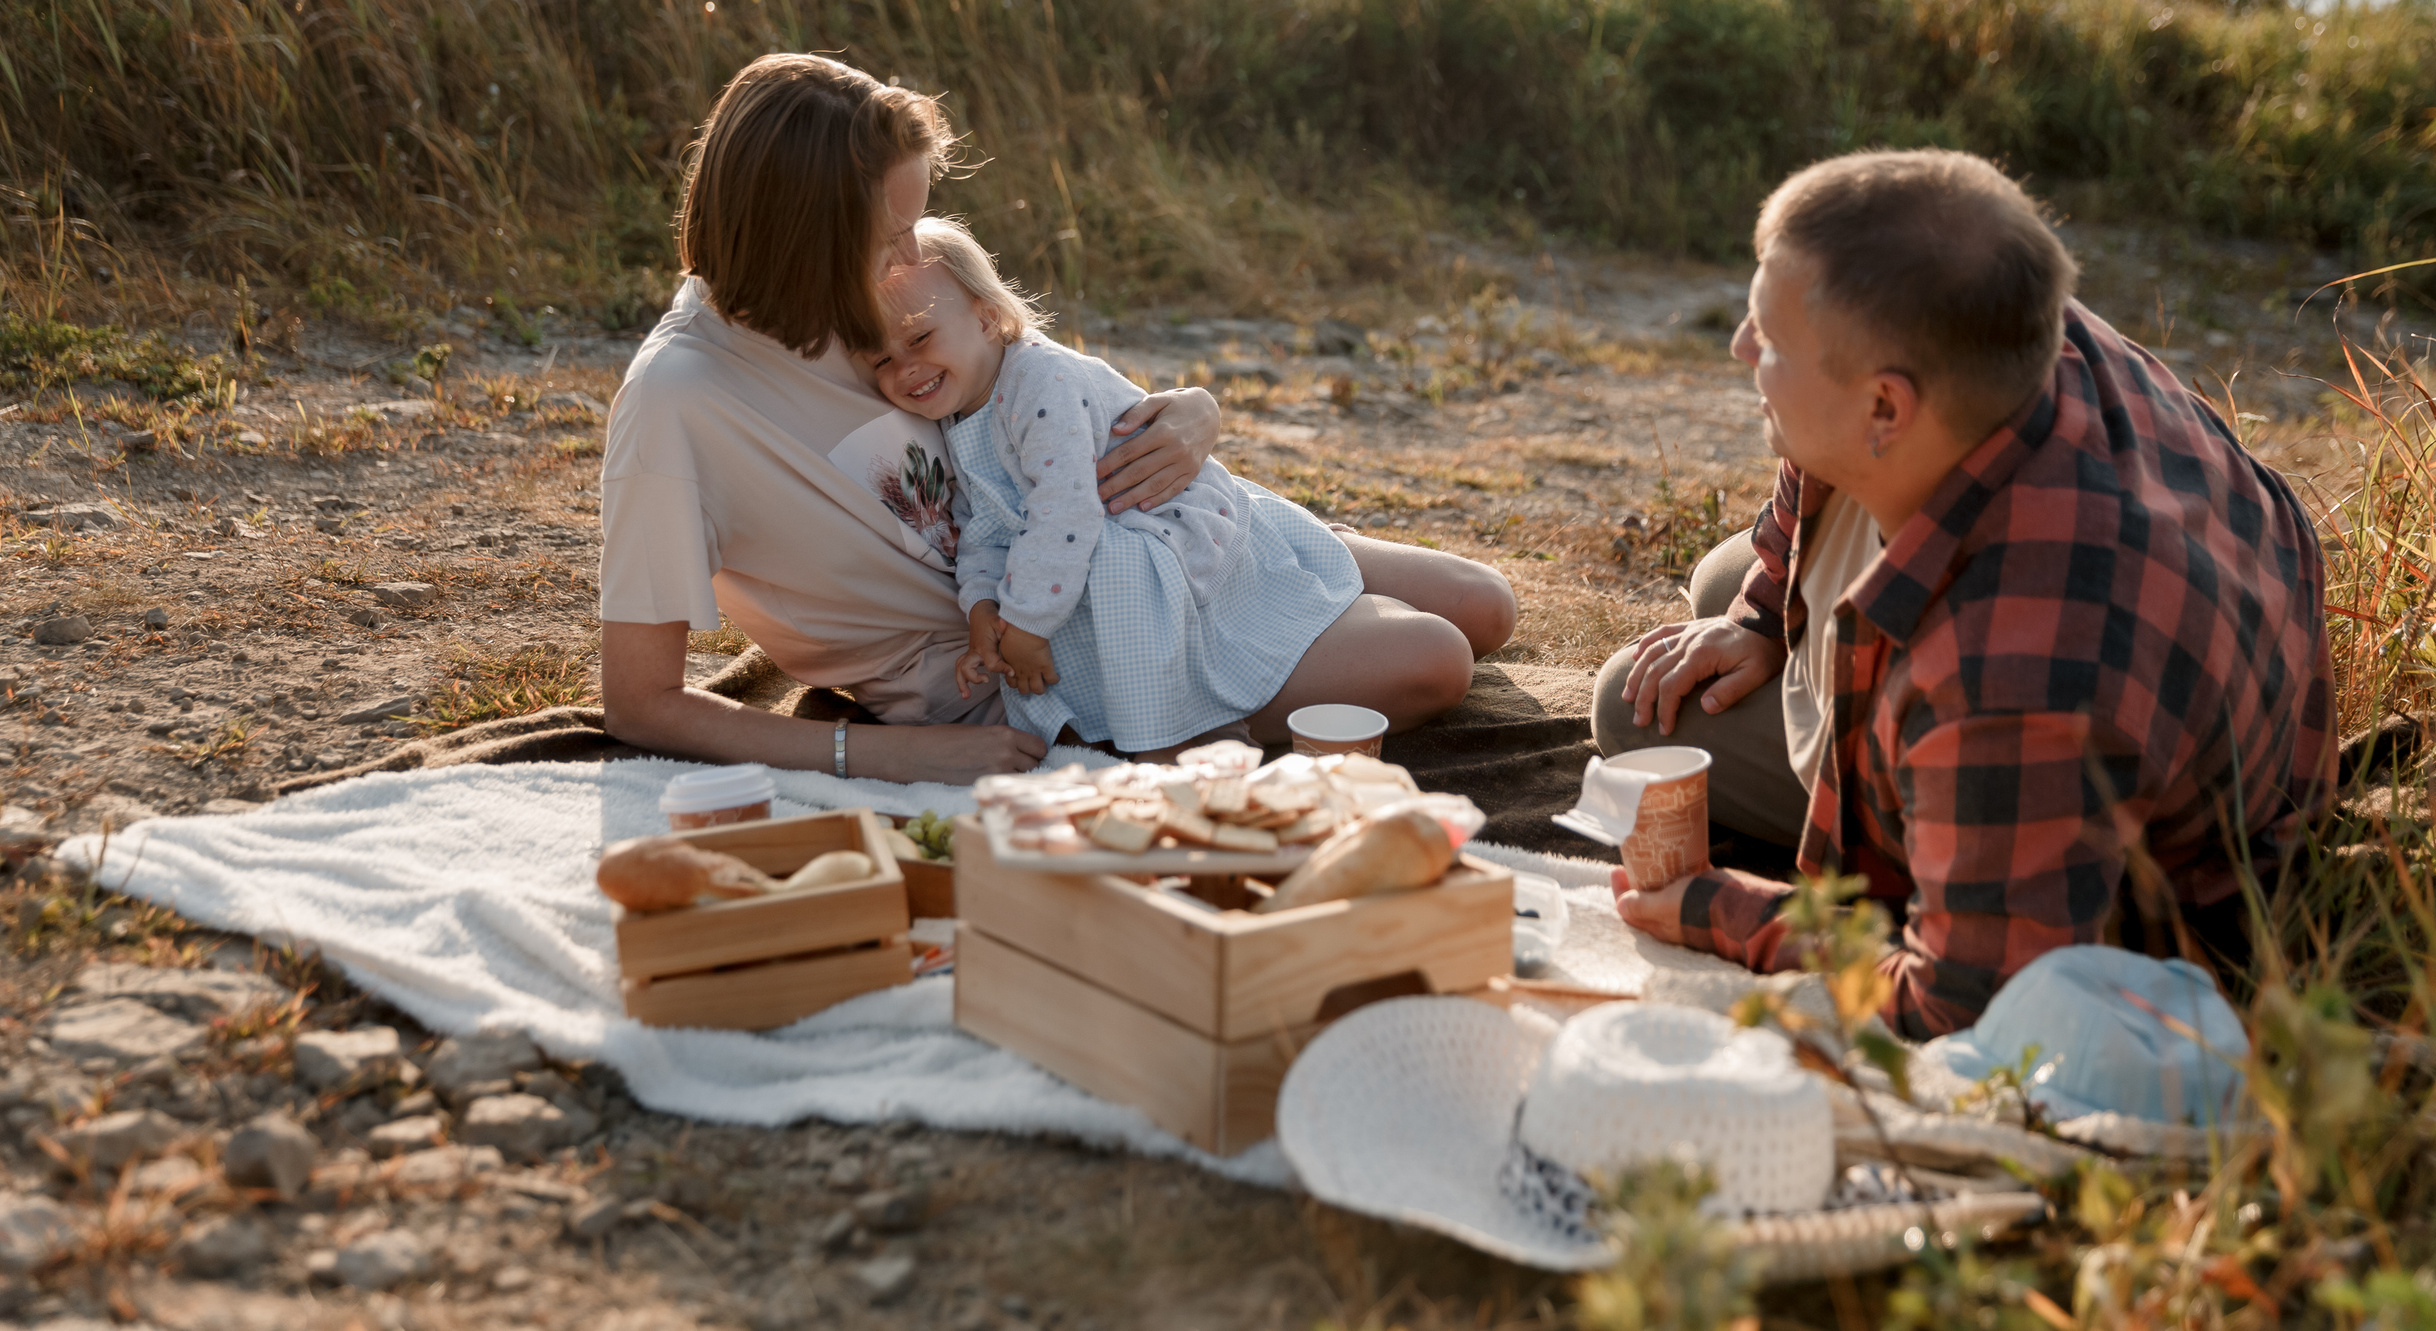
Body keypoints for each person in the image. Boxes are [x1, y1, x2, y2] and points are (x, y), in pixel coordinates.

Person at [598, 53, 1515, 784]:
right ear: (808, 234)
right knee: (1436, 657)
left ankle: (1275, 583)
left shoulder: (851, 288)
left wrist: (1191, 414)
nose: (910, 254)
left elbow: (1031, 375)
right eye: (890, 237)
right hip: (1067, 645)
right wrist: (882, 754)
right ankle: (1180, 723)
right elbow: (640, 703)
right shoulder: (678, 404)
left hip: (1132, 527)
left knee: (1487, 603)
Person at [1594, 149, 2334, 1039]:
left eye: (1770, 341)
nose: (1741, 348)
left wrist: (1722, 911)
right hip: (2160, 635)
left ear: (1885, 410)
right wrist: (1757, 617)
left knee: (1630, 706)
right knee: (1724, 584)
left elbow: (1956, 998)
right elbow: (1811, 452)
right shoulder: (1988, 321)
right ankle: (1771, 627)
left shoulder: (2006, 669)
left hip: (2086, 854)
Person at [869, 217, 1480, 757]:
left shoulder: (1037, 381)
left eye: (920, 338)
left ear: (987, 316)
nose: (905, 369)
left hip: (1177, 545)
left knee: (1484, 606)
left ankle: (1255, 648)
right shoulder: (954, 413)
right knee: (1440, 652)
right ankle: (1209, 709)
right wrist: (980, 607)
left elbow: (1064, 512)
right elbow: (982, 526)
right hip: (1137, 572)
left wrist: (1024, 627)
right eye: (881, 359)